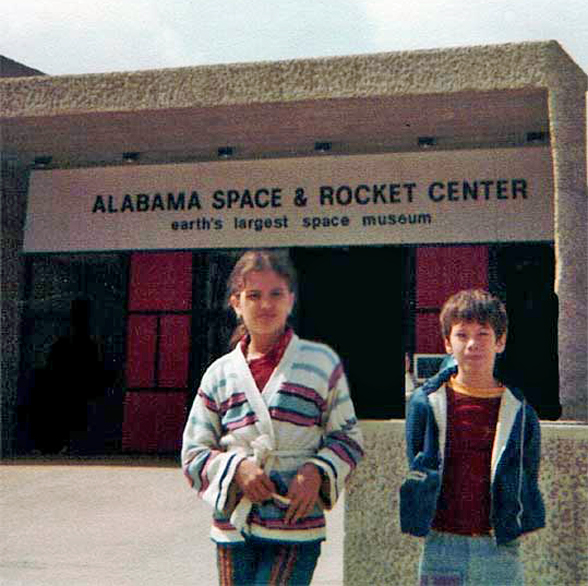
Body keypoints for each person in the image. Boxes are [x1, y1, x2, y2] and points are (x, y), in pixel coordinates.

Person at [181, 249, 364, 585]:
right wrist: (237, 469)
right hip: (234, 524)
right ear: (236, 302)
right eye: (254, 295)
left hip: (295, 521)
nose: (265, 305)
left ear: (290, 300)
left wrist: (316, 471)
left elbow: (348, 437)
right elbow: (193, 451)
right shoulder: (219, 374)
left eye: (275, 294)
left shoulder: (320, 363)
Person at [400, 289, 545, 586]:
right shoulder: (426, 403)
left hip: (499, 548)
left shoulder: (520, 412)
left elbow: (528, 472)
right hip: (441, 546)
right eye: (461, 335)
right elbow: (417, 460)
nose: (472, 344)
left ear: (500, 342)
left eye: (483, 334)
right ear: (446, 343)